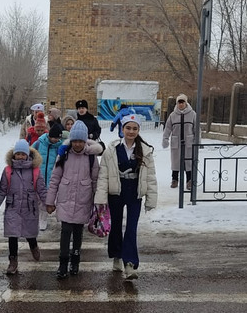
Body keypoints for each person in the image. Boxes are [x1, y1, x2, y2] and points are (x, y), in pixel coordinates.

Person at [95, 113, 157, 280]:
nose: (131, 131)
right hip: (116, 191)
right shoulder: (112, 149)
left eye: (134, 128)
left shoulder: (144, 150)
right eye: (128, 128)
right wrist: (101, 198)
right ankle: (116, 255)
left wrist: (151, 198)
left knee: (131, 227)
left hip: (134, 191)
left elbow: (150, 176)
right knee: (115, 225)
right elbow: (104, 175)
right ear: (122, 129)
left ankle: (130, 263)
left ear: (138, 130)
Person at [46, 120, 102, 278]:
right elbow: (55, 178)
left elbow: (95, 180)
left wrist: (97, 202)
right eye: (75, 141)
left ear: (85, 141)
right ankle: (63, 263)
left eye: (80, 141)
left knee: (78, 232)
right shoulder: (64, 155)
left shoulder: (91, 158)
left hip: (83, 200)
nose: (77, 144)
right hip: (65, 199)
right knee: (65, 231)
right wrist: (50, 201)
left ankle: (75, 261)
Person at [0, 139, 47, 275]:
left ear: (27, 155)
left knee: (29, 234)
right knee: (12, 235)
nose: (20, 156)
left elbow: (41, 189)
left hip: (29, 208)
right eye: (18, 154)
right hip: (12, 208)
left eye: (23, 154)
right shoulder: (8, 171)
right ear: (14, 155)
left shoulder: (35, 171)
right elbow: (2, 190)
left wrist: (48, 203)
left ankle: (33, 246)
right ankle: (13, 260)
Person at [32, 122, 63, 230]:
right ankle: (35, 217)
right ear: (49, 136)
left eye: (58, 138)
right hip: (38, 177)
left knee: (46, 199)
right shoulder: (38, 143)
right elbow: (31, 155)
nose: (56, 140)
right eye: (54, 137)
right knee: (37, 199)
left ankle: (43, 219)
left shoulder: (59, 147)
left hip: (51, 177)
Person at [162, 94, 196, 190]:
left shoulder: (192, 114)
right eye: (179, 102)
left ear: (186, 103)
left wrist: (197, 141)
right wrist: (165, 139)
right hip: (176, 142)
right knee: (175, 162)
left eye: (182, 102)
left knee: (188, 162)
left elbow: (197, 129)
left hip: (189, 142)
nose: (181, 104)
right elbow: (167, 128)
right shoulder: (172, 115)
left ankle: (189, 180)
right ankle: (174, 179)